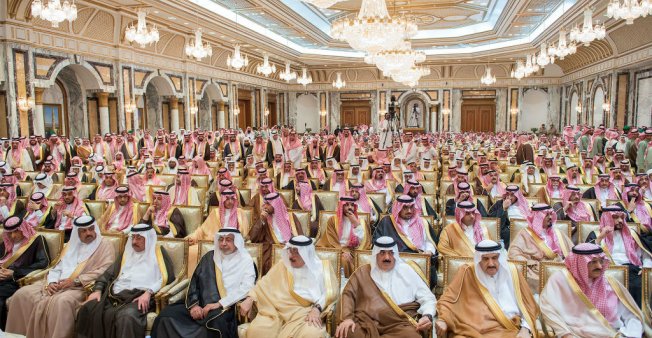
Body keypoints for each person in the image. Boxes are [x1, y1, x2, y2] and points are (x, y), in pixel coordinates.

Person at [6, 215, 115, 338]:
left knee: (61, 302)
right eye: (83, 231)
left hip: (81, 287)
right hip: (57, 283)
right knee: (22, 295)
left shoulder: (105, 245)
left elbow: (106, 270)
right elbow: (57, 267)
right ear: (77, 233)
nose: (88, 233)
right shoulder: (71, 245)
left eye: (91, 229)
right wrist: (51, 282)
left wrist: (76, 281)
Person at [151, 229, 256, 338]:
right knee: (166, 316)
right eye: (221, 239)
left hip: (225, 307)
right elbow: (194, 283)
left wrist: (218, 304)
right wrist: (194, 306)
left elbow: (247, 289)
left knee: (213, 326)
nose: (223, 243)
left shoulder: (246, 261)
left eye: (228, 240)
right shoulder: (209, 257)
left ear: (237, 242)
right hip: (201, 303)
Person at [75, 223, 175, 338]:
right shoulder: (126, 253)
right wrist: (97, 290)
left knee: (126, 316)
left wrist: (148, 292)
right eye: (133, 237)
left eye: (139, 238)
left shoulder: (158, 252)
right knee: (87, 309)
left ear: (148, 238)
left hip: (140, 296)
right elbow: (108, 274)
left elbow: (167, 278)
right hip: (114, 295)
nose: (134, 242)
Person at [540, 243, 650, 337]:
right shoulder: (560, 280)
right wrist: (565, 333)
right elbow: (547, 309)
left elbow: (632, 317)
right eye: (593, 262)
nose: (599, 266)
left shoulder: (610, 283)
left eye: (601, 261)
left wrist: (632, 335)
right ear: (579, 263)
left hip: (612, 334)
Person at [336, 236, 435, 338]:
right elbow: (348, 294)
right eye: (382, 253)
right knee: (347, 331)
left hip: (400, 324)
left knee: (412, 336)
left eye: (391, 253)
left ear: (395, 254)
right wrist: (347, 319)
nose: (387, 257)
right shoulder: (363, 273)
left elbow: (428, 298)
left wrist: (427, 315)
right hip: (367, 322)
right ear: (375, 255)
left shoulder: (407, 271)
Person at [436, 240, 538, 338]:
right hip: (472, 330)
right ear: (478, 259)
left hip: (508, 329)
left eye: (494, 258)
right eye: (485, 259)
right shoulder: (467, 272)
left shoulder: (513, 272)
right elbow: (448, 300)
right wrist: (443, 319)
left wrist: (525, 329)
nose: (491, 264)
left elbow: (529, 306)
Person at [240, 235, 338, 338]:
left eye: (296, 251)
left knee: (311, 334)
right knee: (257, 331)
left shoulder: (322, 268)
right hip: (275, 312)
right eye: (290, 250)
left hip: (304, 313)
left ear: (307, 253)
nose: (291, 256)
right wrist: (250, 298)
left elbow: (331, 292)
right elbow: (263, 285)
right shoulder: (283, 265)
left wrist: (317, 309)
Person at [586, 205, 652, 306]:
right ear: (607, 218)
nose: (620, 220)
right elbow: (587, 257)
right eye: (616, 217)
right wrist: (600, 238)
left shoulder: (631, 234)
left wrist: (646, 267)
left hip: (632, 270)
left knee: (640, 285)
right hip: (606, 270)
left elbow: (645, 253)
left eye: (622, 217)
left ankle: (638, 317)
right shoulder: (596, 235)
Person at [508, 203, 574, 293]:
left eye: (551, 214)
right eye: (547, 215)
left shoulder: (557, 232)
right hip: (538, 269)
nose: (550, 217)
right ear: (537, 218)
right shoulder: (525, 234)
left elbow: (571, 251)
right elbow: (513, 253)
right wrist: (532, 263)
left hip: (560, 266)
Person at [373, 195, 437, 285]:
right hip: (395, 263)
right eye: (405, 208)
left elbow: (429, 241)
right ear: (398, 208)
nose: (409, 211)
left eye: (411, 207)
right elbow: (377, 245)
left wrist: (429, 251)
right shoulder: (387, 222)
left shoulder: (422, 222)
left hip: (419, 263)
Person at [0, 216, 49, 330]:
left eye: (16, 231)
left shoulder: (36, 240)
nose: (13, 236)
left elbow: (43, 263)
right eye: (10, 232)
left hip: (18, 280)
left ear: (23, 228)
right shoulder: (7, 242)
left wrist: (14, 273)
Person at [248, 192, 303, 273]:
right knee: (268, 263)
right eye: (265, 203)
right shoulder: (264, 219)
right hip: (271, 250)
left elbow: (300, 236)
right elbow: (253, 237)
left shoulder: (291, 217)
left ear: (276, 205)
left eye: (268, 204)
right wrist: (261, 220)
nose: (264, 206)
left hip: (290, 249)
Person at [316, 196, 370, 276]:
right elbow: (331, 240)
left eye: (352, 205)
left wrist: (356, 224)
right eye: (347, 205)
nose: (350, 207)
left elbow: (364, 242)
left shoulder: (361, 222)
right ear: (341, 206)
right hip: (336, 249)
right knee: (344, 260)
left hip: (353, 251)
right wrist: (342, 251)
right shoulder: (333, 220)